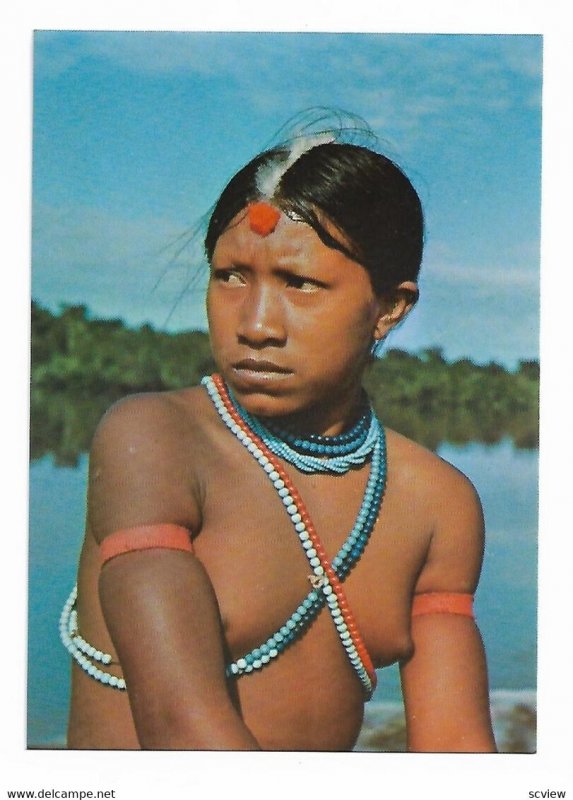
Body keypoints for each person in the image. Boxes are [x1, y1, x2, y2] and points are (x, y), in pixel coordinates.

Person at [60, 118, 497, 752]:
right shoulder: (155, 442)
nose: (257, 325)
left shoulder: (436, 504)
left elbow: (457, 752)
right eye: (231, 276)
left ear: (389, 308)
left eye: (300, 284)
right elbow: (185, 732)